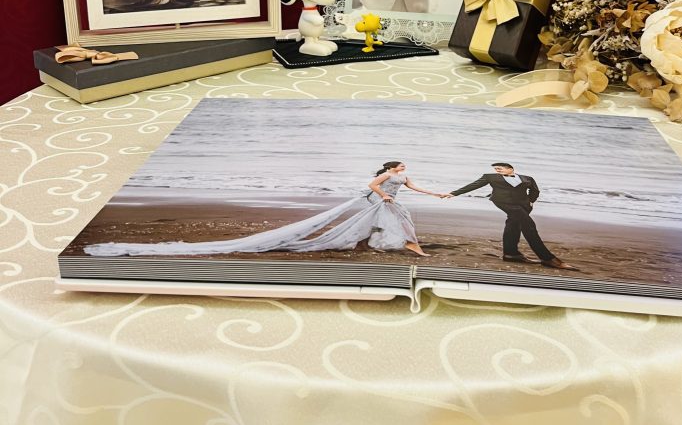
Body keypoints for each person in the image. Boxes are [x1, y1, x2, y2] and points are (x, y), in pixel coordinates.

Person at [83, 161, 449, 258]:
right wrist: (384, 194)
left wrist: (438, 194)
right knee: (396, 222)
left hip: (388, 202)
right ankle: (412, 248)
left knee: (398, 220)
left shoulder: (404, 177)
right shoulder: (385, 175)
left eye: (402, 168)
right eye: (400, 167)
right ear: (393, 167)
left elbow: (414, 187)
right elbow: (371, 186)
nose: (403, 170)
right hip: (378, 201)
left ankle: (395, 245)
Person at [446, 161, 573, 268]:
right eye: (496, 169)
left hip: (523, 206)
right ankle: (548, 258)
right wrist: (453, 193)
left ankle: (511, 254)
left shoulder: (527, 178)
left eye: (499, 168)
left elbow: (535, 190)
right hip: (504, 202)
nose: (497, 171)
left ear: (510, 169)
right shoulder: (490, 177)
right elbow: (473, 185)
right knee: (529, 227)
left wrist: (530, 201)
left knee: (513, 225)